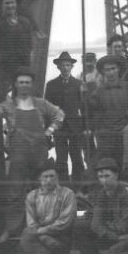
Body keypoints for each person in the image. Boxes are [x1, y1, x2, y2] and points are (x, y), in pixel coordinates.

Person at [0, 68, 64, 243]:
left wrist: (49, 130)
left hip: (39, 154)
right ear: (15, 84)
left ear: (32, 85)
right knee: (15, 192)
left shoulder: (41, 103)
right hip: (18, 154)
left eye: (27, 82)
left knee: (44, 190)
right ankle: (12, 229)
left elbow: (59, 115)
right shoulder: (9, 105)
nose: (24, 85)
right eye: (21, 82)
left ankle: (45, 228)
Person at [76, 158, 128, 254]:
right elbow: (96, 223)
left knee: (115, 253)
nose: (103, 180)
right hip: (113, 234)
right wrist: (107, 231)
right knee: (80, 226)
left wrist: (105, 228)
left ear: (116, 175)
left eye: (107, 176)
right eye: (100, 177)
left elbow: (125, 226)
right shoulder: (103, 193)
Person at [87, 55, 128, 168]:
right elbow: (92, 115)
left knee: (127, 164)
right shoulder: (97, 92)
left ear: (118, 69)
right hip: (106, 137)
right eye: (107, 69)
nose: (110, 72)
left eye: (113, 68)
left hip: (126, 134)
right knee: (109, 165)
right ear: (103, 72)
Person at [45, 52, 85, 183]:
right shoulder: (51, 85)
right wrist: (48, 130)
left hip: (75, 126)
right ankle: (63, 184)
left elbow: (84, 108)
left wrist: (85, 127)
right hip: (58, 127)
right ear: (58, 67)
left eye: (68, 65)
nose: (66, 67)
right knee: (61, 158)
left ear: (72, 67)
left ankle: (78, 184)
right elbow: (47, 109)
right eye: (63, 65)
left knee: (77, 157)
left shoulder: (78, 84)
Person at [0, 0, 34, 98]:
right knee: (1, 95)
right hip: (4, 66)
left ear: (16, 5)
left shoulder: (25, 22)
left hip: (22, 64)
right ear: (1, 6)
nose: (10, 6)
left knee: (20, 96)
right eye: (7, 3)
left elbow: (30, 44)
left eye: (12, 2)